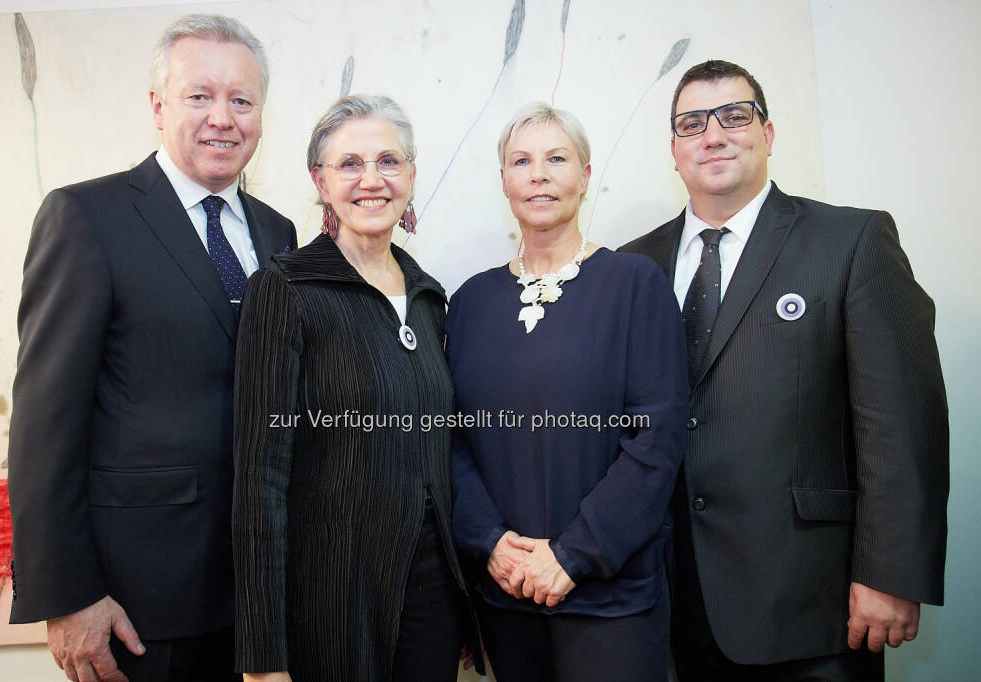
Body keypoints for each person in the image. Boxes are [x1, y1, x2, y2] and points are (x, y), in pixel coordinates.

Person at [619, 59, 948, 681]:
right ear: (674, 149)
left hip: (813, 602)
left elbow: (901, 420)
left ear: (767, 134)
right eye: (692, 123)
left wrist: (890, 573)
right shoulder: (634, 264)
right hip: (677, 601)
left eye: (733, 116)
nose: (712, 135)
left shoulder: (849, 241)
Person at [6, 14, 296, 682]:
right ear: (157, 105)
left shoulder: (278, 232)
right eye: (199, 95)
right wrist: (67, 594)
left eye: (241, 100)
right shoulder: (87, 217)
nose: (222, 117)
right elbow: (45, 422)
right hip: (135, 605)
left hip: (257, 599)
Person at [232, 94, 474, 682]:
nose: (372, 180)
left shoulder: (429, 297)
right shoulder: (284, 289)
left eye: (389, 162)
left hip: (431, 590)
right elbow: (259, 479)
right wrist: (263, 657)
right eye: (350, 164)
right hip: (331, 598)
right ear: (321, 180)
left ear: (411, 176)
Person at [446, 103, 688, 682]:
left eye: (557, 158)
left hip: (612, 596)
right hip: (506, 591)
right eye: (521, 161)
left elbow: (656, 442)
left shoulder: (635, 284)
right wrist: (491, 542)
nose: (539, 174)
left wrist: (573, 554)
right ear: (503, 181)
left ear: (584, 173)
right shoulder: (470, 302)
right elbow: (452, 442)